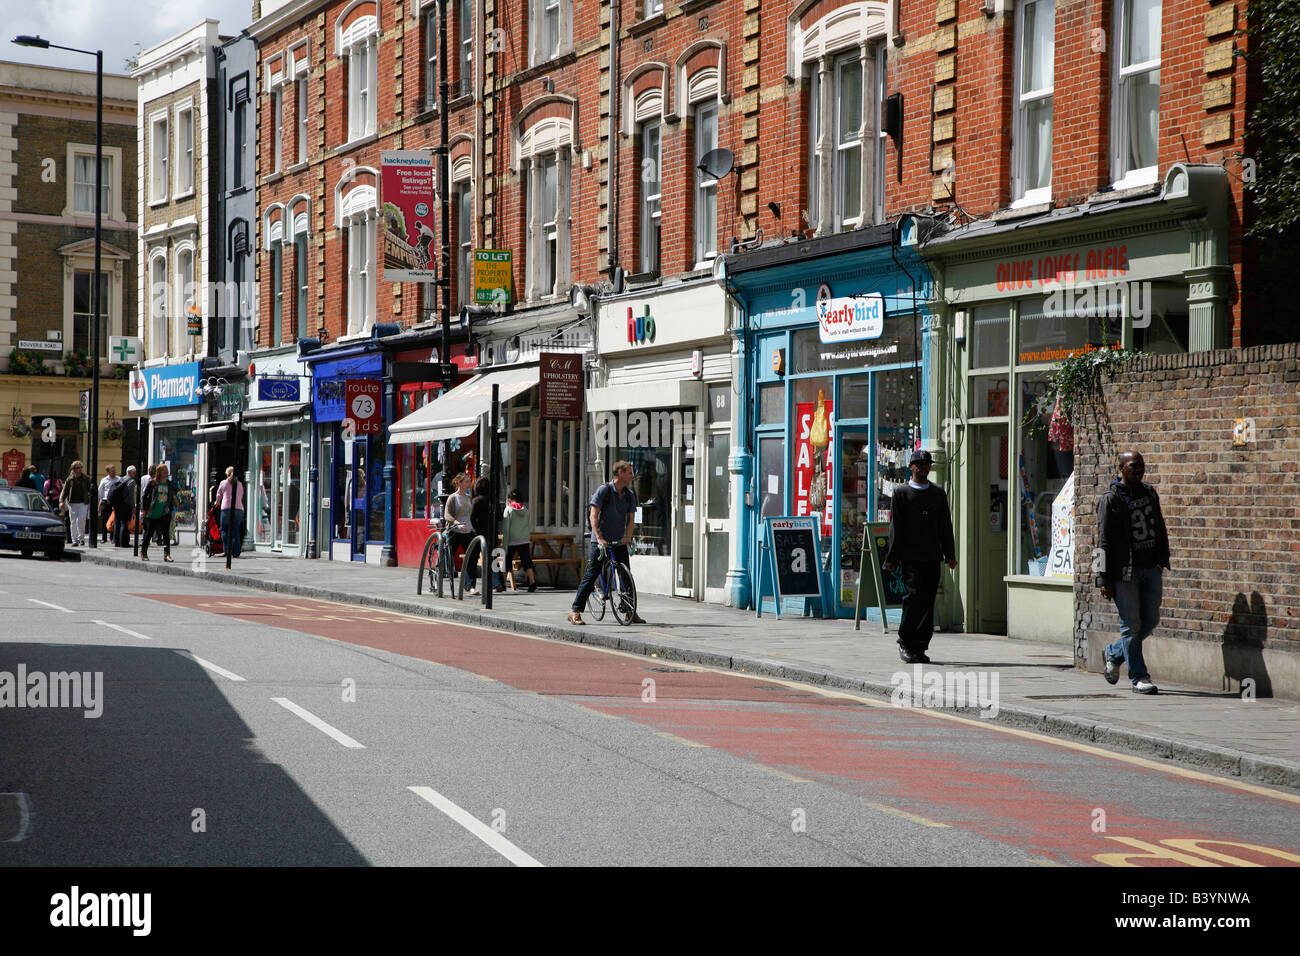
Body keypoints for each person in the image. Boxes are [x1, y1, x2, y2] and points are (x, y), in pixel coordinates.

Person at [1095, 450, 1170, 695]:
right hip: (1124, 573)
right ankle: (1139, 676)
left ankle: (1113, 653)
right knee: (1131, 625)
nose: (1138, 470)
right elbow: (1102, 541)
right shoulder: (1111, 499)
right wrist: (1102, 578)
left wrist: (1162, 560)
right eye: (1133, 466)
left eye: (1141, 465)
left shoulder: (1149, 493)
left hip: (1150, 568)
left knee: (1149, 621)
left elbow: (1160, 527)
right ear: (1121, 468)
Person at [882, 449, 957, 664]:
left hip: (932, 557)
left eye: (927, 464)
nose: (924, 467)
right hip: (911, 557)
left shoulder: (938, 493)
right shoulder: (901, 493)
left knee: (927, 602)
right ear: (911, 467)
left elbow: (945, 527)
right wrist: (892, 558)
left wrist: (950, 554)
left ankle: (921, 646)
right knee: (913, 600)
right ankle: (906, 642)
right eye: (920, 464)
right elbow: (896, 529)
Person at [568, 460, 646, 625]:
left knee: (626, 576)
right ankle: (575, 611)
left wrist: (628, 536)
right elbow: (593, 515)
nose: (632, 476)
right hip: (601, 541)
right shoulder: (604, 490)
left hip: (619, 541)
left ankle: (629, 612)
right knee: (592, 574)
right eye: (630, 472)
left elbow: (631, 519)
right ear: (620, 473)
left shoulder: (629, 495)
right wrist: (599, 537)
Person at [469, 477, 504, 593]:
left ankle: (470, 584)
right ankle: (497, 583)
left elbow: (472, 518)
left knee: (473, 558)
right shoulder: (494, 500)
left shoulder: (476, 501)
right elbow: (499, 516)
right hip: (492, 532)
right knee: (493, 557)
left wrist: (475, 528)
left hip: (479, 533)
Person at [444, 472, 475, 590]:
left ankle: (470, 586)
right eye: (467, 481)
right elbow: (447, 515)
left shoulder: (468, 498)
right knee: (449, 554)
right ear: (459, 483)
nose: (469, 483)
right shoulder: (452, 498)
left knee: (471, 558)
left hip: (468, 531)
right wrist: (457, 524)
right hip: (455, 531)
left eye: (469, 481)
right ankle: (445, 571)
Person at [502, 489, 537, 592]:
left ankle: (502, 583)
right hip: (524, 539)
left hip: (511, 539)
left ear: (509, 499)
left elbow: (506, 528)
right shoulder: (525, 510)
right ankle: (532, 582)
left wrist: (504, 544)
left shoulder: (508, 509)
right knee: (527, 561)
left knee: (506, 561)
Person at [139, 463, 175, 562]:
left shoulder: (169, 483)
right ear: (159, 472)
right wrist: (143, 509)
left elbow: (170, 498)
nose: (166, 472)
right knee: (149, 533)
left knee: (166, 534)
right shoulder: (153, 483)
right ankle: (143, 552)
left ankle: (167, 555)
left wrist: (171, 511)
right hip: (153, 511)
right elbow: (145, 496)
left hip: (164, 512)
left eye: (167, 470)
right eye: (164, 470)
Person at [60, 461, 93, 547]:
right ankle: (74, 540)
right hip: (72, 503)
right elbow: (65, 491)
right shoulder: (69, 479)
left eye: (80, 467)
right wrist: (61, 501)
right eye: (77, 468)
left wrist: (91, 499)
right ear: (73, 469)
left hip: (83, 503)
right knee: (73, 521)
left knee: (81, 520)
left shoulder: (86, 478)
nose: (79, 469)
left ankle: (81, 538)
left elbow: (91, 489)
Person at [216, 466, 246, 558]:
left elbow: (218, 495)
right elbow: (241, 496)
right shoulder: (240, 484)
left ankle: (226, 550)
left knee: (224, 529)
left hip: (226, 509)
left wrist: (217, 503)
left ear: (227, 474)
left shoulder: (223, 483)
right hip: (239, 509)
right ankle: (236, 552)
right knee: (236, 530)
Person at [112, 465, 137, 547]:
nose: (135, 474)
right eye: (134, 472)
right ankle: (124, 542)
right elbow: (131, 496)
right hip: (125, 505)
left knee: (117, 523)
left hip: (117, 504)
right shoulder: (131, 481)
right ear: (130, 473)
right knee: (124, 523)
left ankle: (116, 542)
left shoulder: (121, 479)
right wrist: (133, 507)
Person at [97, 464, 117, 543]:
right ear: (108, 472)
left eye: (114, 471)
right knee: (104, 519)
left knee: (113, 519)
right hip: (105, 501)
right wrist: (101, 500)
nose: (114, 472)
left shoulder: (118, 479)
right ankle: (104, 537)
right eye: (112, 471)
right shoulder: (104, 480)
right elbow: (100, 491)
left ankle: (112, 537)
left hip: (114, 502)